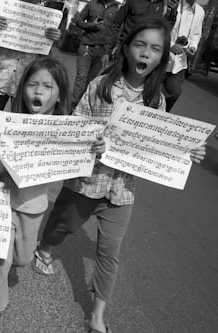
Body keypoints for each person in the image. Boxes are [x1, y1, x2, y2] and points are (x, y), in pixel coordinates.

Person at [32, 18, 207, 333]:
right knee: (62, 225)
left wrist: (186, 152)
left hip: (121, 190)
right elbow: (77, 122)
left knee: (110, 253)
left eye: (155, 49)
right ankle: (45, 246)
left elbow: (159, 143)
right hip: (86, 182)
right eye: (140, 45)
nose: (146, 53)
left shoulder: (156, 100)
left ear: (162, 58)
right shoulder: (101, 85)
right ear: (126, 49)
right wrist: (92, 139)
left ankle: (97, 315)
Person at [0, 57, 90, 333]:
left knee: (23, 258)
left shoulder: (65, 132)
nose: (38, 92)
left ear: (59, 94)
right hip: (1, 202)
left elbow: (79, 172)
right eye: (32, 84)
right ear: (22, 89)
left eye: (47, 86)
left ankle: (18, 258)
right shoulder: (7, 123)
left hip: (33, 206)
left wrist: (90, 150)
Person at [0, 0, 63, 111]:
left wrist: (53, 40)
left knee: (17, 124)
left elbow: (45, 57)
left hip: (26, 84)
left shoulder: (46, 16)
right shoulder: (6, 8)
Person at [100, 0, 179, 68]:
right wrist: (106, 50)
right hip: (124, 51)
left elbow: (165, 30)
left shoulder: (164, 7)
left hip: (145, 54)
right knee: (112, 80)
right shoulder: (133, 1)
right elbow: (115, 25)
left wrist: (173, 13)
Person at [71, 0, 120, 107]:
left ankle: (83, 107)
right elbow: (78, 21)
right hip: (86, 47)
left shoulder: (117, 10)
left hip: (102, 51)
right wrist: (92, 25)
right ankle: (73, 107)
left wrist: (108, 52)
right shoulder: (92, 4)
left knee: (91, 82)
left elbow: (114, 32)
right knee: (81, 78)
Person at [163, 0, 204, 112]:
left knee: (174, 91)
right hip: (162, 57)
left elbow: (196, 34)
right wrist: (170, 45)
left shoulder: (200, 11)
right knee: (152, 91)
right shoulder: (173, 4)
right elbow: (160, 28)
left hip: (179, 62)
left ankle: (161, 117)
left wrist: (193, 46)